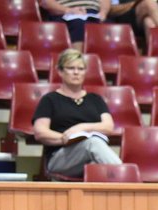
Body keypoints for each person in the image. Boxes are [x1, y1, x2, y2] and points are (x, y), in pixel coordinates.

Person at [32, 49, 121, 179]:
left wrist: (82, 128)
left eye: (80, 69)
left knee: (94, 147)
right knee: (93, 143)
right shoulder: (50, 99)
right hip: (61, 158)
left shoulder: (95, 99)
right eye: (71, 68)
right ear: (60, 71)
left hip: (90, 155)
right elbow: (40, 132)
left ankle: (124, 185)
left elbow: (108, 127)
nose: (76, 72)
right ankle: (129, 182)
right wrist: (66, 138)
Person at [39, 0, 107, 49]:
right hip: (64, 12)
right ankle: (77, 62)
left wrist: (103, 12)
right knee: (78, 24)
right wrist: (68, 10)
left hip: (93, 13)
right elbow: (45, 2)